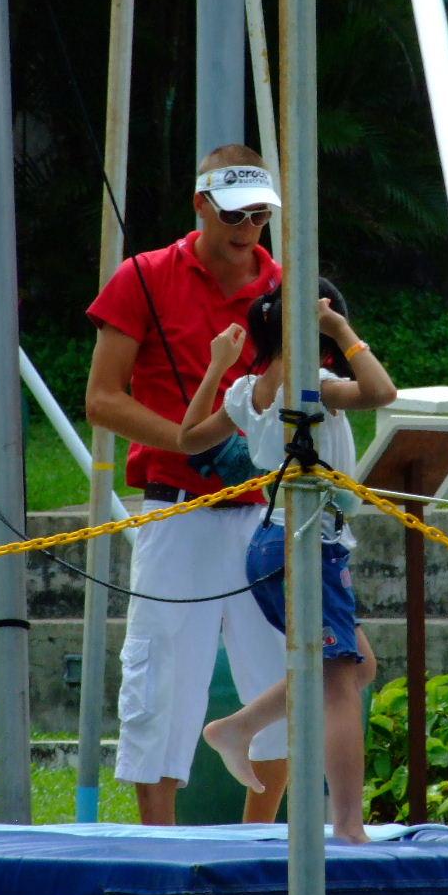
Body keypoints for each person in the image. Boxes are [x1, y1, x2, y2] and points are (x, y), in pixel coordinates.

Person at [84, 144, 289, 825]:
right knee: (160, 677)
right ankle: (160, 848)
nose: (247, 228)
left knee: (284, 673)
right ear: (201, 204)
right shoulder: (143, 277)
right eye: (234, 215)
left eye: (259, 215)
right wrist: (185, 440)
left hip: (267, 510)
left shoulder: (286, 286)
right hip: (175, 509)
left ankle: (263, 848)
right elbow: (102, 399)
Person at [176, 283, 397, 843]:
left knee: (357, 668)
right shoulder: (313, 387)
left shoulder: (247, 391)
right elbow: (381, 391)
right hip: (304, 545)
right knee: (340, 684)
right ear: (314, 332)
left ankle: (237, 727)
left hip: (275, 544)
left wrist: (217, 366)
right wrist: (340, 329)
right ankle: (348, 826)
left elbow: (189, 438)